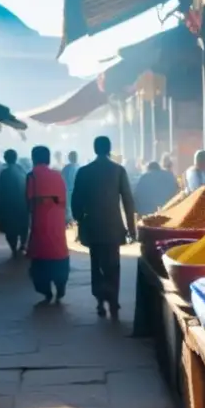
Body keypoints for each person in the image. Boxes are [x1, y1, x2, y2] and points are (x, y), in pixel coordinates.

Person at [71, 136, 136, 318]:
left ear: (94, 149)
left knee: (96, 263)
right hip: (113, 226)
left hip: (92, 226)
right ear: (109, 149)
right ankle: (113, 300)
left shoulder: (84, 171)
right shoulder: (118, 170)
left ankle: (100, 300)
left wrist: (79, 220)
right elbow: (128, 201)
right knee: (113, 264)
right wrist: (132, 229)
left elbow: (76, 200)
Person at [26, 146, 70, 305]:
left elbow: (29, 201)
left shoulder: (32, 176)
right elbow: (64, 200)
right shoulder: (58, 176)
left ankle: (46, 292)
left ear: (33, 159)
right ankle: (60, 286)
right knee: (59, 253)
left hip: (40, 223)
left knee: (40, 258)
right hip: (57, 223)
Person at [0, 149, 28, 255]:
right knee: (23, 227)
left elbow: (0, 190)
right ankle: (22, 245)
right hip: (23, 205)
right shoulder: (22, 170)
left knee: (10, 230)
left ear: (5, 159)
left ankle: (14, 249)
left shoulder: (4, 173)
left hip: (9, 206)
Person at [61, 151, 79, 225]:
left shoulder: (66, 168)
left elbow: (62, 180)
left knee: (69, 210)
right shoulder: (80, 168)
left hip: (68, 192)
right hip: (75, 192)